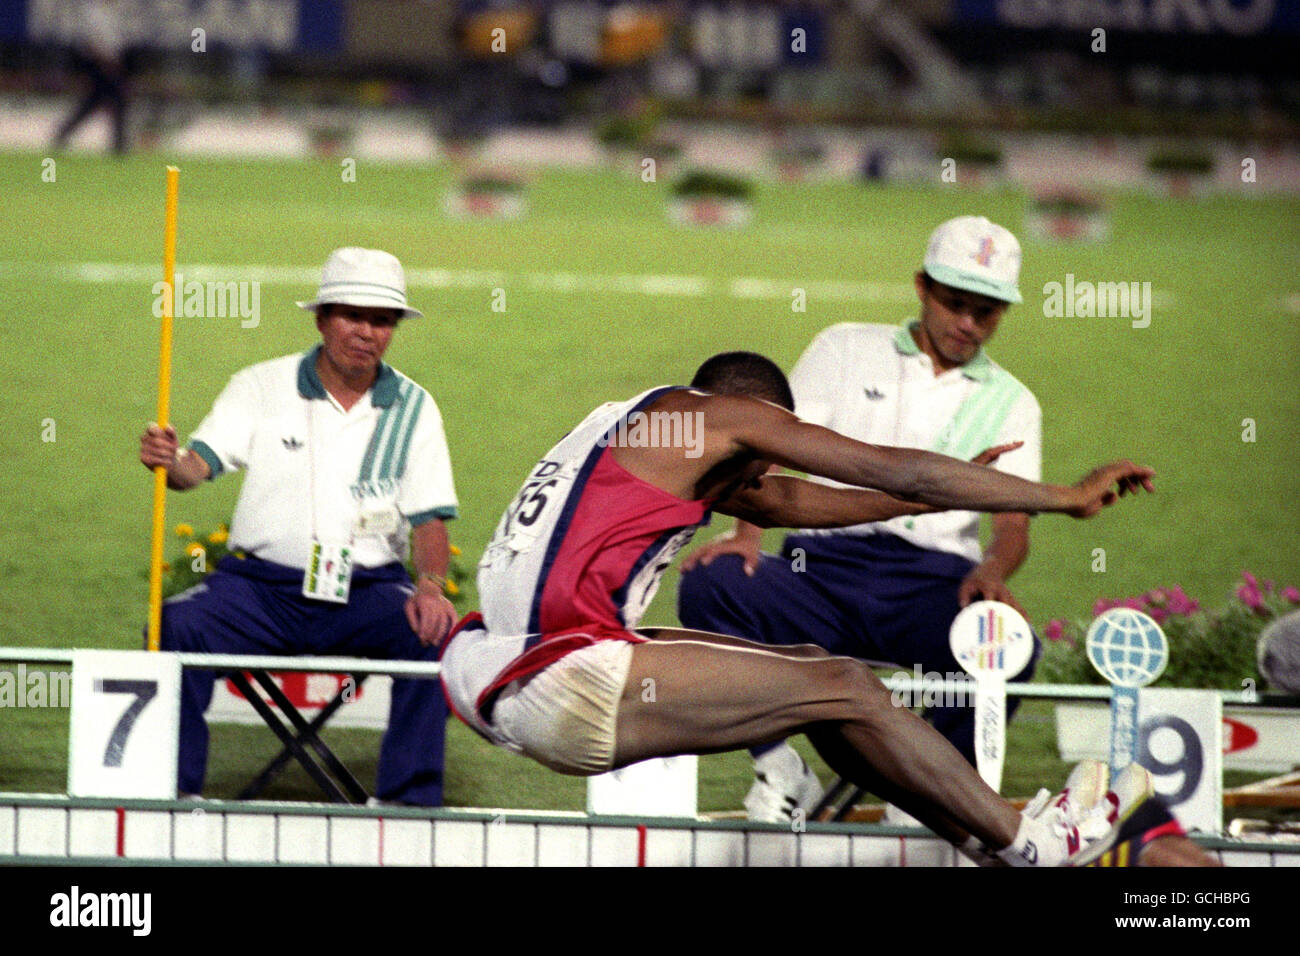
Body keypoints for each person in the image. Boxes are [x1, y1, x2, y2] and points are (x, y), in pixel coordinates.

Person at [439, 351, 1159, 866]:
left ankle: (980, 837)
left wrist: (933, 493)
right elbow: (891, 467)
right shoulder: (719, 417)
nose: (767, 474)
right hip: (567, 678)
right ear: (758, 418)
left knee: (822, 685)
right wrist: (1064, 497)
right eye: (766, 451)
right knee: (846, 683)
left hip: (498, 675)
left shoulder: (633, 430)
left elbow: (793, 502)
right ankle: (1030, 839)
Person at [677, 215, 1041, 821]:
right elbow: (773, 445)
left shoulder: (1015, 402)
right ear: (922, 286)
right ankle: (781, 770)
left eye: (989, 311)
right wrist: (745, 535)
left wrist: (997, 572)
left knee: (1007, 644)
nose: (969, 325)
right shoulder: (842, 346)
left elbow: (1013, 521)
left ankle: (931, 798)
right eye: (956, 303)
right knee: (711, 584)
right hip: (816, 571)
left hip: (932, 586)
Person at [139, 248, 459, 806]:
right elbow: (196, 468)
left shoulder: (415, 406)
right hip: (258, 590)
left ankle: (410, 806)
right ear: (321, 318)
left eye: (381, 320)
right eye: (351, 316)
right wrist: (171, 463)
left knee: (435, 638)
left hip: (368, 591)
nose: (366, 332)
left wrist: (430, 585)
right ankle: (170, 792)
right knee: (175, 628)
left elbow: (429, 516)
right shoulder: (259, 385)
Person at [53, 0, 130, 154]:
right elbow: (92, 41)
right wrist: (105, 62)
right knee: (114, 101)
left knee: (96, 102)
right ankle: (119, 145)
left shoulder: (111, 11)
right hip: (100, 64)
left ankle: (63, 134)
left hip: (111, 62)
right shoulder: (92, 11)